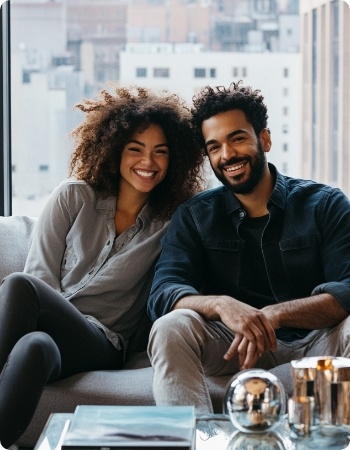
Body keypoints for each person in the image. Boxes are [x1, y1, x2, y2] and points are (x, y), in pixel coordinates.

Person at [0, 84, 204, 447]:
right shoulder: (73, 196)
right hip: (50, 327)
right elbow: (40, 274)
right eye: (136, 149)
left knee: (17, 286)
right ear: (113, 150)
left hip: (102, 343)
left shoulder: (173, 222)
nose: (148, 162)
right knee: (35, 346)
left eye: (161, 152)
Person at [147, 81, 350, 414]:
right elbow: (163, 293)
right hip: (233, 347)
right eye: (214, 147)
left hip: (319, 343)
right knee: (169, 326)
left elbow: (347, 288)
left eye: (237, 138)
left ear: (264, 139)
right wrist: (222, 305)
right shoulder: (195, 217)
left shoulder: (325, 204)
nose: (227, 155)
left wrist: (275, 315)